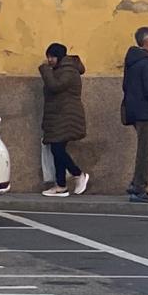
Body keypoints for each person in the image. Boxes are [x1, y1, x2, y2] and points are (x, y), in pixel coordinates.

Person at [121, 26, 148, 203]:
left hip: (138, 110)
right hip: (146, 112)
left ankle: (137, 184)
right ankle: (139, 188)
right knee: (147, 150)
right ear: (147, 41)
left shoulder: (133, 61)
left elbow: (126, 86)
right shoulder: (145, 62)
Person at [39, 43, 88, 198]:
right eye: (48, 57)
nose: (49, 60)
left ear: (59, 57)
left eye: (52, 57)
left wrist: (45, 71)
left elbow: (55, 86)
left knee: (57, 149)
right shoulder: (59, 70)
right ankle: (61, 186)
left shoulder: (68, 71)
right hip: (59, 116)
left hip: (66, 116)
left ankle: (78, 174)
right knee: (56, 148)